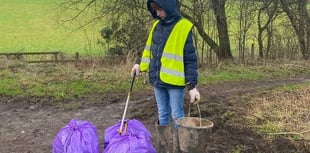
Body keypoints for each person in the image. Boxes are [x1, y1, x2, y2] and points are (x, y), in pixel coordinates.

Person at [131, 0, 200, 152]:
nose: (157, 13)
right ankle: (164, 148)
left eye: (160, 10)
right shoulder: (156, 25)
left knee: (177, 115)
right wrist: (139, 65)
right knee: (162, 113)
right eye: (155, 10)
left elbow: (190, 59)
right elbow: (149, 50)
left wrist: (192, 86)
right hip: (157, 79)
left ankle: (177, 148)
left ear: (168, 7)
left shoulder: (184, 26)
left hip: (175, 82)